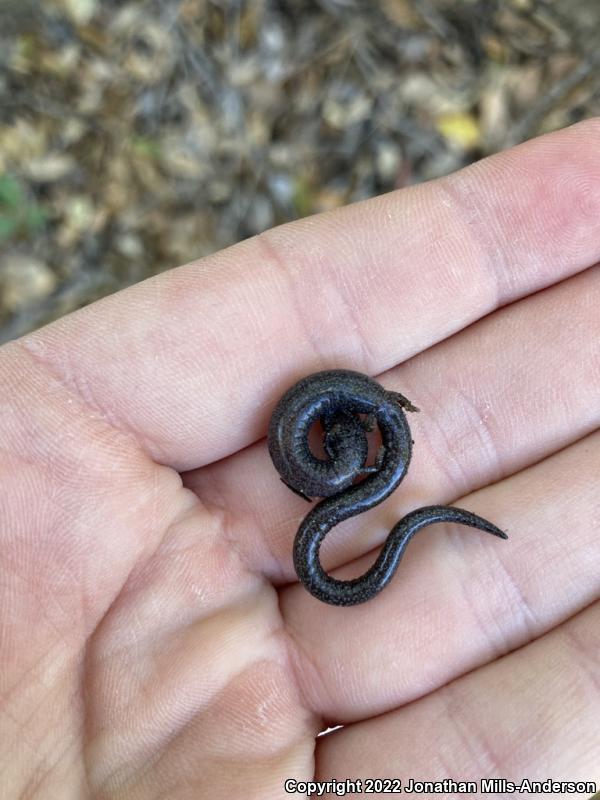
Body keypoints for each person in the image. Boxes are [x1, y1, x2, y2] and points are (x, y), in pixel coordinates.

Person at [1, 120, 598, 799]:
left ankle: (403, 517)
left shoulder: (353, 438)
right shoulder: (358, 437)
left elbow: (377, 414)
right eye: (372, 441)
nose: (371, 444)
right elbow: (379, 413)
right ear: (359, 442)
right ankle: (405, 517)